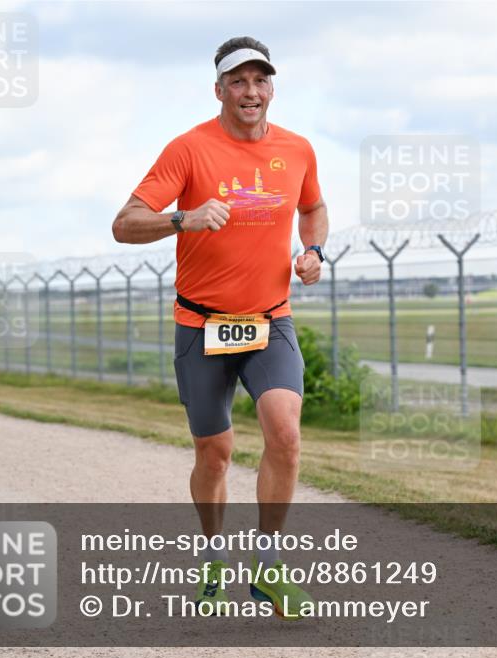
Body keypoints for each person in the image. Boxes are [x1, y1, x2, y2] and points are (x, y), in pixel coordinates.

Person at [112, 36, 327, 618]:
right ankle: (212, 563)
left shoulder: (298, 149)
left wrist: (314, 252)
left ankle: (268, 568)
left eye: (260, 80)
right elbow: (124, 224)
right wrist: (183, 217)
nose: (250, 92)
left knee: (284, 433)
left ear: (271, 88)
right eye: (238, 81)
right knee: (214, 454)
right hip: (201, 325)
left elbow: (313, 208)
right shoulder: (188, 149)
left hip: (270, 320)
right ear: (220, 90)